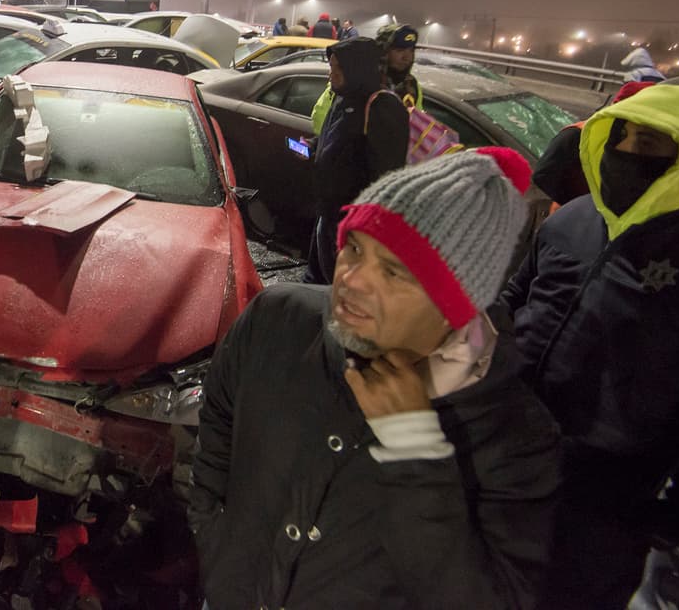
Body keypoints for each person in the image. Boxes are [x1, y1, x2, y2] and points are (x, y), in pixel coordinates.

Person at [191, 147, 561, 610]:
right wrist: (214, 537)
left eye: (394, 271)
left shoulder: (514, 436)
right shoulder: (278, 319)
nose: (351, 279)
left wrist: (414, 448)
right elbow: (217, 425)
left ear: (456, 306)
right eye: (355, 247)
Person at [498, 83, 679, 609]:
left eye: (649, 145)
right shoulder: (573, 220)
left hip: (608, 493)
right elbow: (510, 300)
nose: (627, 155)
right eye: (620, 139)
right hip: (509, 448)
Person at [304, 37, 407, 284]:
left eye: (337, 69)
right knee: (316, 279)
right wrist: (316, 147)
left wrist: (362, 229)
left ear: (356, 69)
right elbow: (337, 139)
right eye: (331, 68)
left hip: (351, 224)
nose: (331, 75)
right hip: (327, 212)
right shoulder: (343, 99)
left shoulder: (382, 107)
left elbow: (385, 175)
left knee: (337, 285)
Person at [531, 80, 654, 206]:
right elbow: (543, 176)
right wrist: (583, 206)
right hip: (575, 216)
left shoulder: (633, 143)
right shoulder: (576, 135)